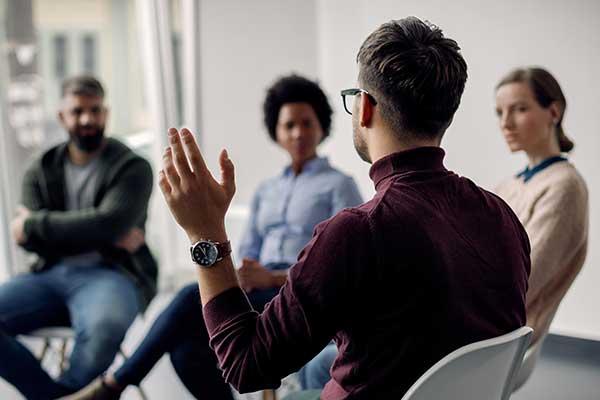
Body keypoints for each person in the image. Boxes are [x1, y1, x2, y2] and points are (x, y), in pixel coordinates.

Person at [157, 17, 531, 399]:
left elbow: (246, 366)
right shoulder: (502, 216)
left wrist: (205, 235)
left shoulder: (357, 232)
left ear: (364, 107)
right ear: (446, 115)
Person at [65, 74, 363, 399]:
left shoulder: (339, 185)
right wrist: (239, 275)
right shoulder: (266, 191)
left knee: (186, 298)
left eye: (307, 123)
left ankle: (113, 385)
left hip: (296, 294)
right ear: (276, 131)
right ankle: (113, 386)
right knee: (185, 347)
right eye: (289, 125)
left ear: (322, 126)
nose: (298, 133)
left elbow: (341, 267)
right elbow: (246, 250)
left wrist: (274, 277)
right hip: (255, 290)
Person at [0, 76, 158, 399]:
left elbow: (108, 222)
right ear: (62, 116)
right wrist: (102, 230)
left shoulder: (134, 167)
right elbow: (29, 240)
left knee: (105, 330)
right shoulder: (40, 169)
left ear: (106, 113)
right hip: (49, 274)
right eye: (77, 111)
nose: (87, 119)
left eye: (95, 110)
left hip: (113, 274)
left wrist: (36, 225)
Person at [494, 67, 588, 389]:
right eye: (499, 112)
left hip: (495, 342)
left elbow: (520, 285)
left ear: (553, 111)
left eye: (519, 109)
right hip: (479, 326)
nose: (505, 123)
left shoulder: (565, 187)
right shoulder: (509, 185)